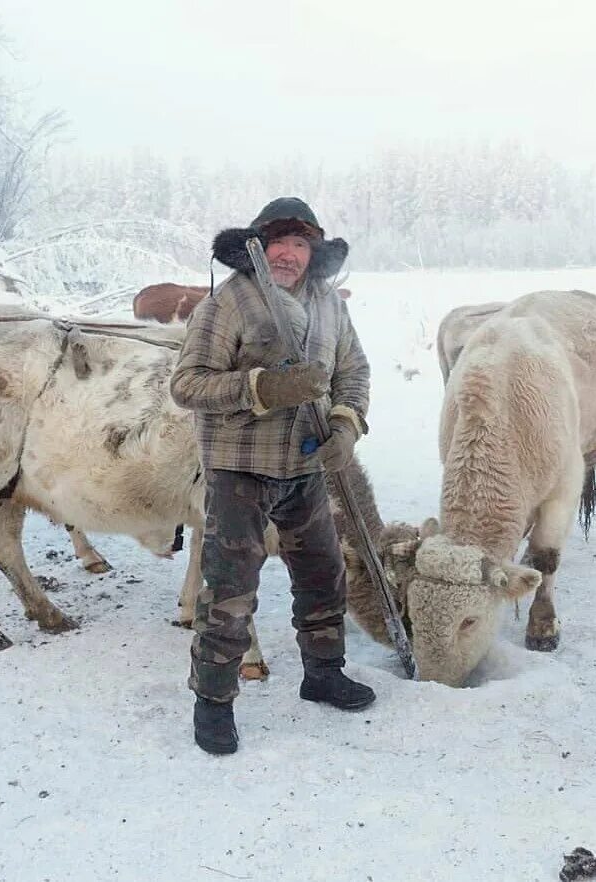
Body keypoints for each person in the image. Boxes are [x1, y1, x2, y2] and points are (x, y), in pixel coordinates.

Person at [171, 197, 375, 755]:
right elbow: (186, 385)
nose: (288, 254)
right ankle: (213, 702)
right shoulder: (230, 302)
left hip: (306, 465)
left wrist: (344, 423)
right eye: (278, 242)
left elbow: (353, 369)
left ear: (315, 252)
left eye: (301, 244)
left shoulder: (329, 303)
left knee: (324, 574)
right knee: (230, 589)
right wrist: (260, 388)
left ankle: (323, 673)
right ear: (258, 246)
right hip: (241, 468)